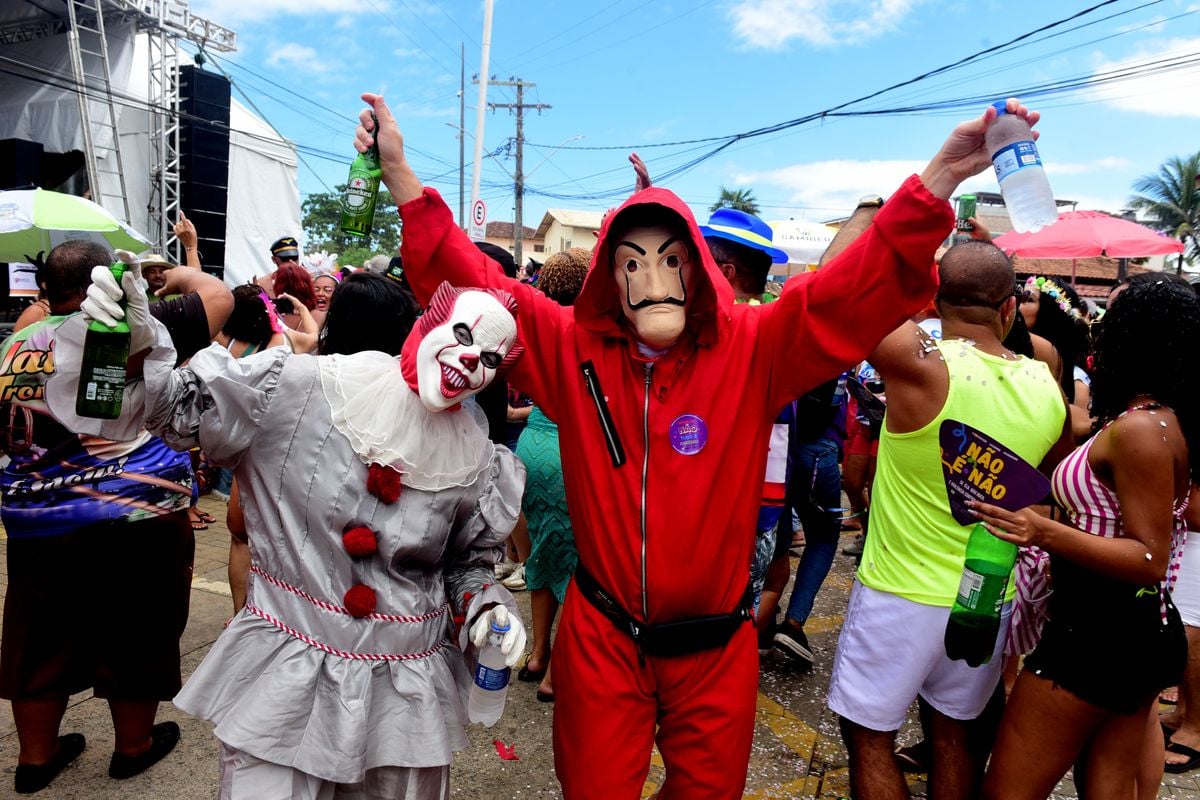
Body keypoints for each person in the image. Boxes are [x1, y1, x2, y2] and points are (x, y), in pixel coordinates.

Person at [359, 91, 1024, 797]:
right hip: (603, 637)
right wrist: (401, 175)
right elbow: (475, 290)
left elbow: (846, 292)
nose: (652, 281)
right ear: (609, 275)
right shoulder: (570, 348)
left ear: (698, 268)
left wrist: (940, 181)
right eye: (632, 262)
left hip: (716, 646)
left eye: (670, 260)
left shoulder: (752, 347)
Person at [114, 264, 529, 798]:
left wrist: (486, 606)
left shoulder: (476, 454)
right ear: (427, 323)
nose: (472, 362)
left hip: (405, 695)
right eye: (465, 337)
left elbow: (464, 564)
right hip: (288, 672)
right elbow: (170, 406)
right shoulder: (294, 386)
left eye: (491, 360)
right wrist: (127, 340)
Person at [827, 238, 1071, 800]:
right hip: (986, 596)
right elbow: (1049, 480)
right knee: (956, 736)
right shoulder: (1046, 383)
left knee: (869, 738)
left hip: (899, 594)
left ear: (936, 303)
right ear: (1010, 308)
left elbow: (843, 291)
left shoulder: (920, 367)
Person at [0, 241, 232, 794]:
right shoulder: (135, 325)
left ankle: (36, 759)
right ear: (108, 279)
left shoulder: (14, 346)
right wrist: (165, 274)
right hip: (138, 513)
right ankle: (132, 748)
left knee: (38, 638)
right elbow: (218, 295)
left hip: (39, 519)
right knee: (140, 629)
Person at [975, 279, 1198, 800]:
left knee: (1007, 791)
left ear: (1135, 337)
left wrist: (1042, 530)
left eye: (1110, 322)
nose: (1096, 331)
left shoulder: (1141, 431)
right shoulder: (1158, 419)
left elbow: (1148, 556)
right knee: (1108, 789)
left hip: (1099, 634)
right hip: (1130, 629)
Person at [514, 247, 590, 702]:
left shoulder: (537, 325)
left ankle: (537, 651)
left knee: (541, 553)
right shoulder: (593, 327)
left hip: (533, 445)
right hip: (573, 450)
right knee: (582, 564)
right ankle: (555, 670)